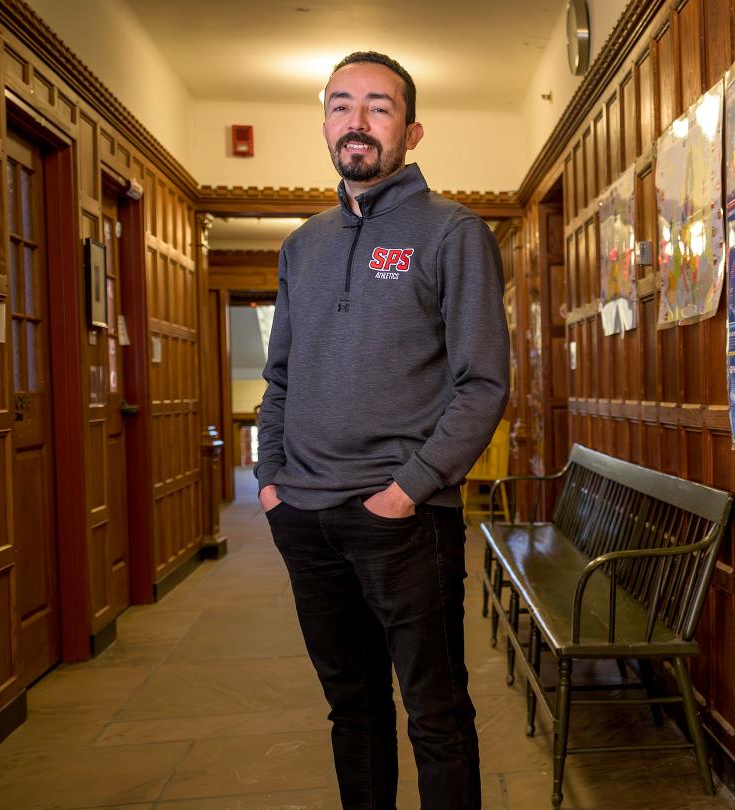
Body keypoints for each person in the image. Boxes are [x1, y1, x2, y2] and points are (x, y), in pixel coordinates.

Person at [254, 51, 509, 810]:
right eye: (339, 105)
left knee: (435, 715)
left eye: (377, 106)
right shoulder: (303, 245)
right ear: (326, 123)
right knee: (352, 711)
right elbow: (280, 379)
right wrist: (273, 486)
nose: (355, 122)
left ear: (412, 129)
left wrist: (408, 490)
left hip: (403, 523)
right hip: (305, 517)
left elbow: (483, 384)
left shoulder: (453, 233)